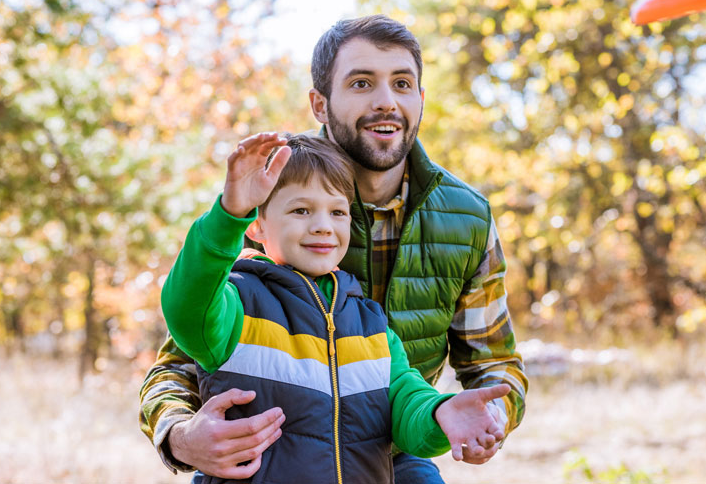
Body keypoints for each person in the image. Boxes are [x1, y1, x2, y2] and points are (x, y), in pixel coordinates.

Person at [140, 14, 528, 483]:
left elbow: (487, 366)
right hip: (272, 455)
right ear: (320, 104)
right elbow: (184, 347)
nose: (386, 102)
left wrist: (471, 418)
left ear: (420, 99)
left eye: (402, 84)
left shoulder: (466, 218)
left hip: (385, 445)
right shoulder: (269, 193)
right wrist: (181, 435)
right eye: (362, 83)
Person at [161, 132, 510, 483]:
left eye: (337, 211)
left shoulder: (370, 324)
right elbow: (185, 304)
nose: (323, 226)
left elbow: (406, 406)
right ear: (258, 224)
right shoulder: (237, 306)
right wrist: (228, 215)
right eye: (301, 210)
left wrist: (441, 413)